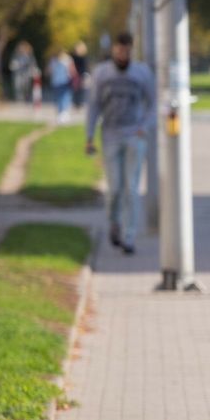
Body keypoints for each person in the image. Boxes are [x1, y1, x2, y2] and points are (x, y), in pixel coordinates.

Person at [85, 31, 156, 255]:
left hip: (134, 135)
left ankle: (129, 236)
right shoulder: (102, 73)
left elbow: (153, 104)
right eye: (119, 50)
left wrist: (143, 128)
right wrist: (89, 135)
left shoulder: (141, 73)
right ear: (113, 49)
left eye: (126, 50)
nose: (123, 54)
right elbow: (94, 106)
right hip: (110, 136)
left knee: (131, 188)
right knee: (115, 188)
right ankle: (114, 223)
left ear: (131, 50)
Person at [47, 49, 77, 124]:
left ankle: (63, 113)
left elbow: (49, 70)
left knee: (63, 97)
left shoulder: (57, 60)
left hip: (62, 81)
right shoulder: (64, 60)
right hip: (60, 81)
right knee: (63, 97)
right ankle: (62, 113)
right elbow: (72, 70)